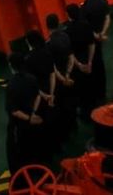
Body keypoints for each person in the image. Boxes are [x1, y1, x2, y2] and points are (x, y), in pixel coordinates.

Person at [5, 51, 44, 176]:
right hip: (33, 121)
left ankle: (21, 177)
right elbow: (38, 96)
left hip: (19, 126)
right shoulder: (32, 78)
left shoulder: (12, 85)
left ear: (11, 66)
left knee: (17, 154)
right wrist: (33, 113)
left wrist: (28, 119)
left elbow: (14, 111)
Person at [44, 14, 77, 145]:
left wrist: (62, 79)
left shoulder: (49, 44)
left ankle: (63, 133)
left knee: (60, 106)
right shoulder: (65, 36)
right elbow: (71, 57)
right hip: (69, 75)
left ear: (47, 26)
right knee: (71, 102)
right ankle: (73, 125)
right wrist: (68, 74)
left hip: (58, 81)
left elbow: (53, 68)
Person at [65, 3, 100, 120]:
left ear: (68, 16)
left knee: (82, 90)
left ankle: (86, 114)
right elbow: (92, 44)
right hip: (88, 58)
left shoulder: (67, 31)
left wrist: (79, 64)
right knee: (92, 85)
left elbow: (70, 53)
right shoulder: (86, 25)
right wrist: (90, 62)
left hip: (77, 63)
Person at [80, 0, 111, 110]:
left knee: (92, 63)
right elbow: (107, 18)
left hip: (91, 40)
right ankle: (102, 93)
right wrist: (102, 33)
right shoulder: (103, 1)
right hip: (100, 36)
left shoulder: (84, 8)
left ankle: (94, 96)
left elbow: (86, 27)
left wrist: (95, 35)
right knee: (100, 64)